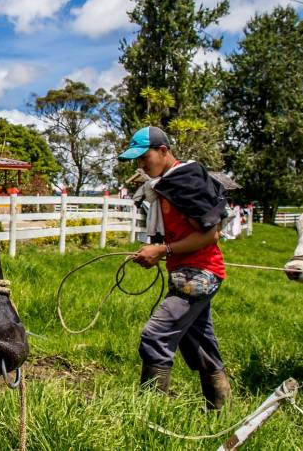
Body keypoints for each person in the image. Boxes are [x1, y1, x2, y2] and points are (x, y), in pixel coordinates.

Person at [119, 126, 231, 410]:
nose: (141, 165)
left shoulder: (185, 182)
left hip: (199, 274)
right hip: (187, 272)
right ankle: (222, 411)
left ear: (163, 151)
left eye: (144, 157)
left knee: (155, 336)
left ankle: (149, 416)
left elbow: (210, 235)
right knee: (199, 344)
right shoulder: (167, 184)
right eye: (137, 160)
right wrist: (157, 251)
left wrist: (162, 250)